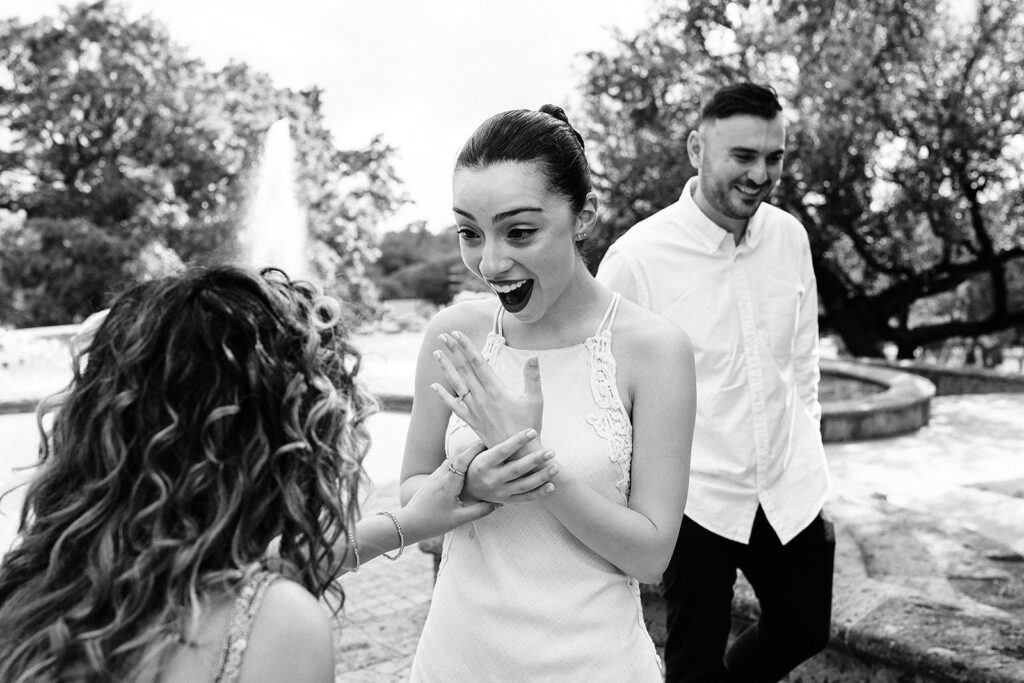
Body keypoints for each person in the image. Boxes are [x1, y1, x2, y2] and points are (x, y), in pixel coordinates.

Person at [0, 265, 540, 683]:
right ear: (286, 445)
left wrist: (407, 523)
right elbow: (255, 589)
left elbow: (260, 568)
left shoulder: (37, 585)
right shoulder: (272, 626)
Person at [399, 105, 697, 681]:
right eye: (470, 232)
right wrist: (472, 482)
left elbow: (651, 554)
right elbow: (414, 489)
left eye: (519, 232)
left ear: (583, 216)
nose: (490, 261)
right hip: (457, 659)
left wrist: (528, 462)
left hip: (593, 664)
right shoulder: (453, 335)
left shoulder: (655, 350)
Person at [597, 82, 836, 682]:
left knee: (805, 626)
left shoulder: (791, 237)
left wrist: (810, 430)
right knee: (693, 663)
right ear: (696, 148)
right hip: (694, 497)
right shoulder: (636, 259)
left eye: (774, 157)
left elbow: (803, 354)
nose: (761, 174)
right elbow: (605, 391)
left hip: (786, 483)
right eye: (743, 157)